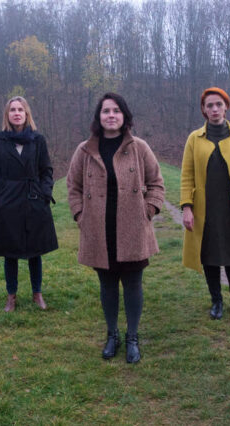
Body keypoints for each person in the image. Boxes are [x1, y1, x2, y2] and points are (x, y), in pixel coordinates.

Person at [66, 92, 164, 363]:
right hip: (99, 230)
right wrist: (80, 215)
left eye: (116, 111)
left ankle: (132, 337)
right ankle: (112, 335)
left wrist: (148, 211)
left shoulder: (139, 147)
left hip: (133, 229)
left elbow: (157, 183)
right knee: (107, 285)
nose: (111, 115)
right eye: (106, 111)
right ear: (99, 116)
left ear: (124, 116)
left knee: (133, 284)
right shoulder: (85, 150)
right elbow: (73, 187)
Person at [180, 87, 230, 322]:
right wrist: (187, 207)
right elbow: (187, 174)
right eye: (209, 106)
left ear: (226, 107)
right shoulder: (194, 139)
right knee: (210, 256)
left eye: (218, 104)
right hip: (205, 210)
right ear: (204, 110)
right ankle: (216, 302)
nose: (214, 109)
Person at [0, 96, 58, 312]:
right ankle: (11, 296)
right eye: (13, 110)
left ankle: (37, 294)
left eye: (20, 110)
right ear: (7, 114)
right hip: (7, 203)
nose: (17, 113)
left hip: (34, 201)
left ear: (27, 114)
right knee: (10, 252)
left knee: (35, 251)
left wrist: (45, 193)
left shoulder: (38, 140)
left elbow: (46, 171)